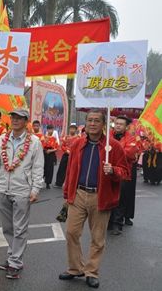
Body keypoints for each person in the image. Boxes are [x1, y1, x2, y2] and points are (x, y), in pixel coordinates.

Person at [59, 109, 129, 289]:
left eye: (96, 120)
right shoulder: (77, 144)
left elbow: (125, 173)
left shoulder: (113, 146)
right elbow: (70, 171)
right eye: (89, 120)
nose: (92, 124)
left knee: (98, 238)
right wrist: (67, 193)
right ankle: (75, 268)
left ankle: (91, 271)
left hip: (101, 196)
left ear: (103, 124)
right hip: (79, 194)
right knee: (72, 232)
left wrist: (113, 170)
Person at [0, 108, 44, 279]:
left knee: (20, 228)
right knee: (8, 227)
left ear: (26, 121)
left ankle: (16, 262)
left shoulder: (34, 142)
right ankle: (12, 256)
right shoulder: (1, 139)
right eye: (13, 117)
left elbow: (38, 167)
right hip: (3, 188)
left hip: (22, 190)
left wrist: (35, 189)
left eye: (20, 118)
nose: (15, 120)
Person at [108, 115, 139, 235]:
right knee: (107, 196)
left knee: (120, 199)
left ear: (126, 127)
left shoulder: (131, 139)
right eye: (116, 123)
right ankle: (108, 222)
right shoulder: (107, 136)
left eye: (121, 124)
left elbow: (129, 154)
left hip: (123, 173)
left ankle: (117, 224)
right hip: (108, 171)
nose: (118, 125)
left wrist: (112, 150)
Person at [42, 124, 59, 189]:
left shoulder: (54, 139)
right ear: (47, 130)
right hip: (44, 154)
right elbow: (41, 145)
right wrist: (45, 150)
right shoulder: (43, 137)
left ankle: (48, 183)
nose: (50, 131)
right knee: (42, 168)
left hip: (51, 154)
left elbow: (57, 148)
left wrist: (50, 151)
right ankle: (39, 182)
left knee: (50, 169)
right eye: (49, 129)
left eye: (52, 129)